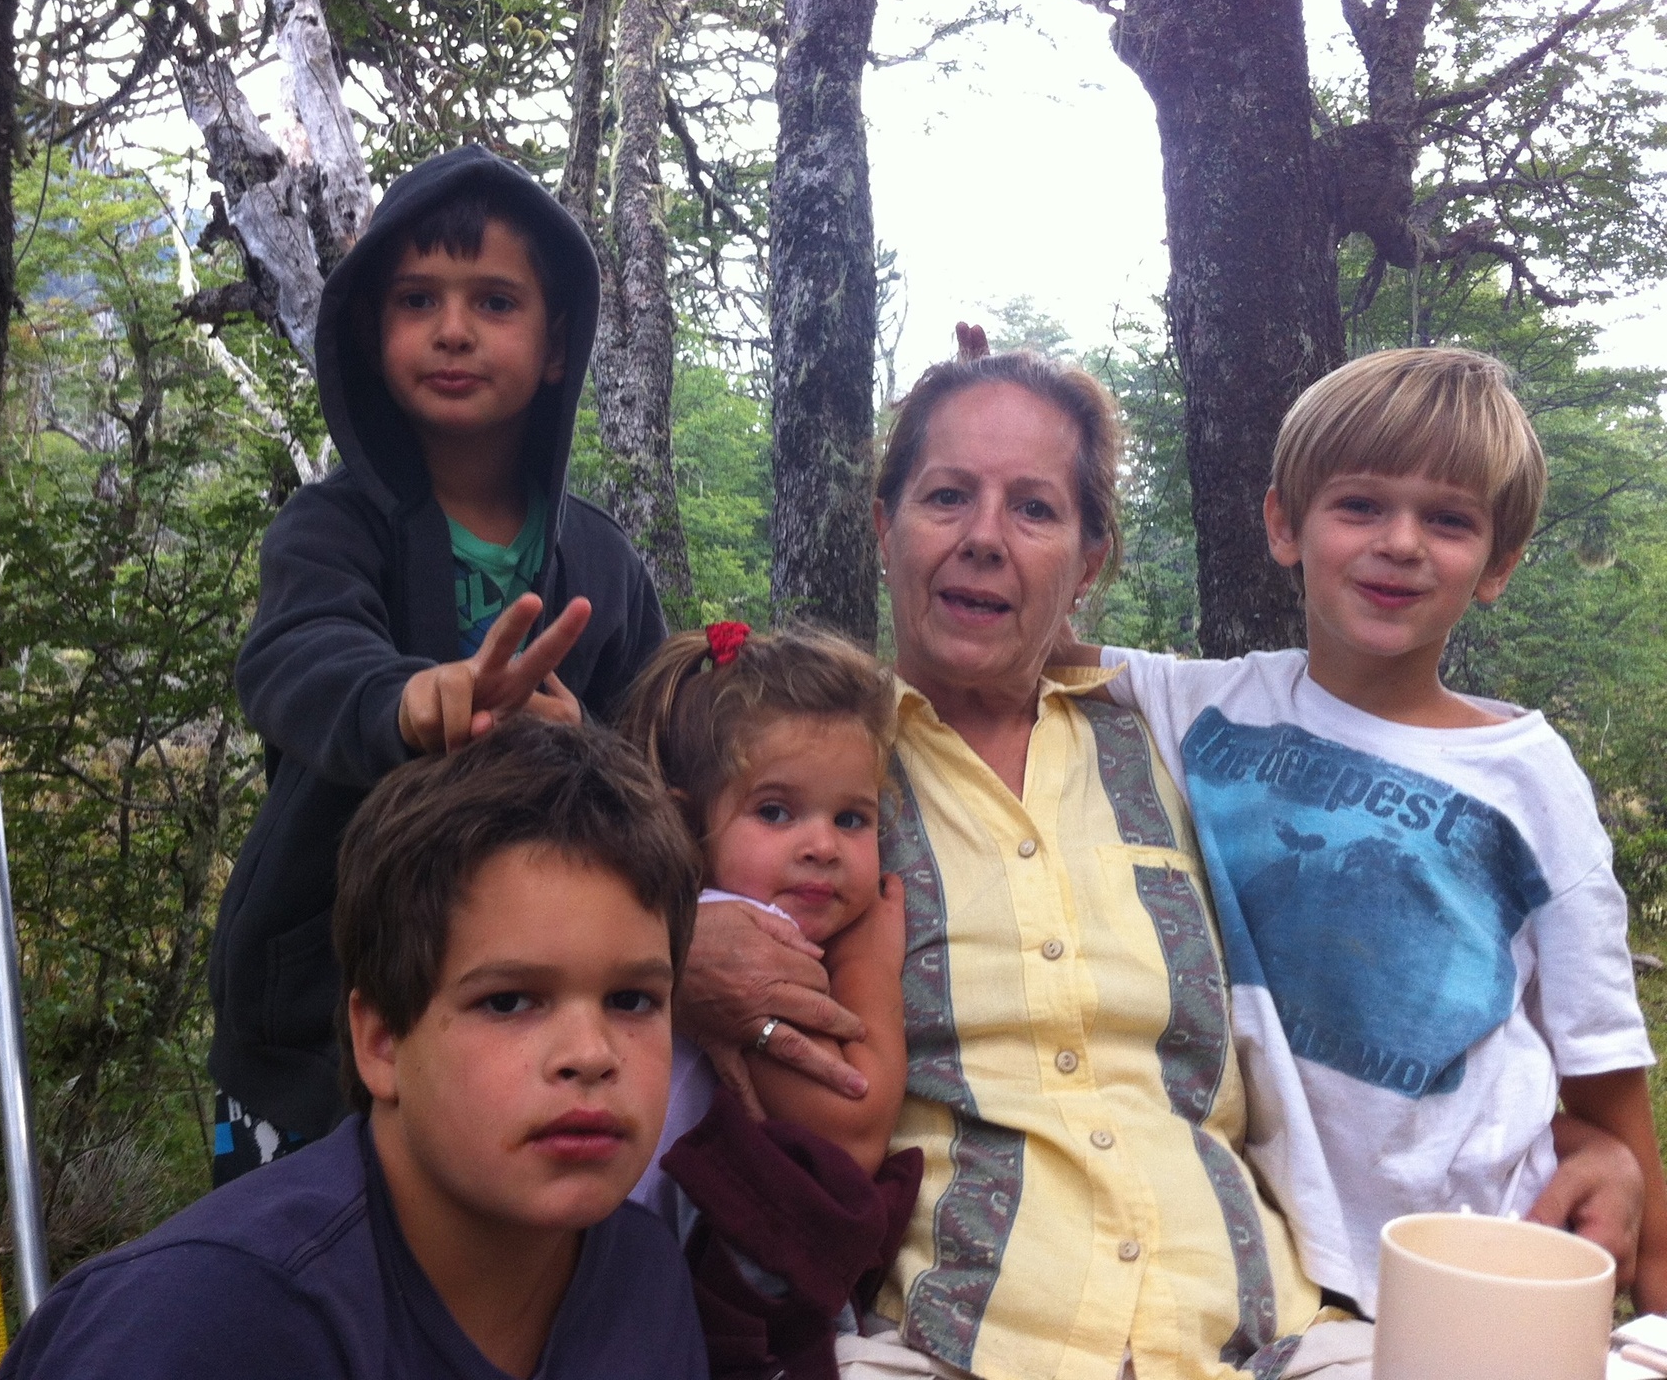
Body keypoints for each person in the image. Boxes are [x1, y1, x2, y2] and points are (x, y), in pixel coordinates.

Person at [674, 345, 1647, 1380]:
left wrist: (1594, 1141)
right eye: (946, 496)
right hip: (952, 1339)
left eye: (1035, 509)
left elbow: (1394, 933)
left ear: (1089, 560)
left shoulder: (1187, 747)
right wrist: (673, 939)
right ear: (884, 525)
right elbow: (596, 907)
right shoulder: (808, 780)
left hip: (1271, 1341)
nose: (984, 538)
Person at [1053, 346, 1667, 1315]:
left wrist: (1654, 1297)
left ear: (1499, 563)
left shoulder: (1527, 775)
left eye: (1449, 520)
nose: (1401, 543)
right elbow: (1027, 645)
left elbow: (1603, 1064)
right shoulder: (1206, 707)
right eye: (1359, 505)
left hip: (1482, 1246)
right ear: (1283, 524)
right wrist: (1018, 462)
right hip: (1261, 1262)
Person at [208, 144, 667, 1180]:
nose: (452, 329)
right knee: (293, 1255)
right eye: (417, 300)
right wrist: (414, 700)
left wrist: (585, 753)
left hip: (530, 1013)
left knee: (488, 1247)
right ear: (372, 333)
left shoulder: (600, 564)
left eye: (494, 301)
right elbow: (292, 660)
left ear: (556, 344)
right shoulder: (331, 528)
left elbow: (659, 761)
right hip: (317, 1009)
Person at [0, 720, 708, 1380]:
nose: (591, 1053)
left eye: (632, 1000)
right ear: (381, 1041)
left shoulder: (644, 1281)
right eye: (508, 1001)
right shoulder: (202, 1325)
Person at [617, 621, 920, 1378]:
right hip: (626, 1278)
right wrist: (871, 964)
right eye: (775, 811)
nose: (822, 845)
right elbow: (850, 1127)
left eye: (852, 818)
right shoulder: (749, 931)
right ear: (690, 823)